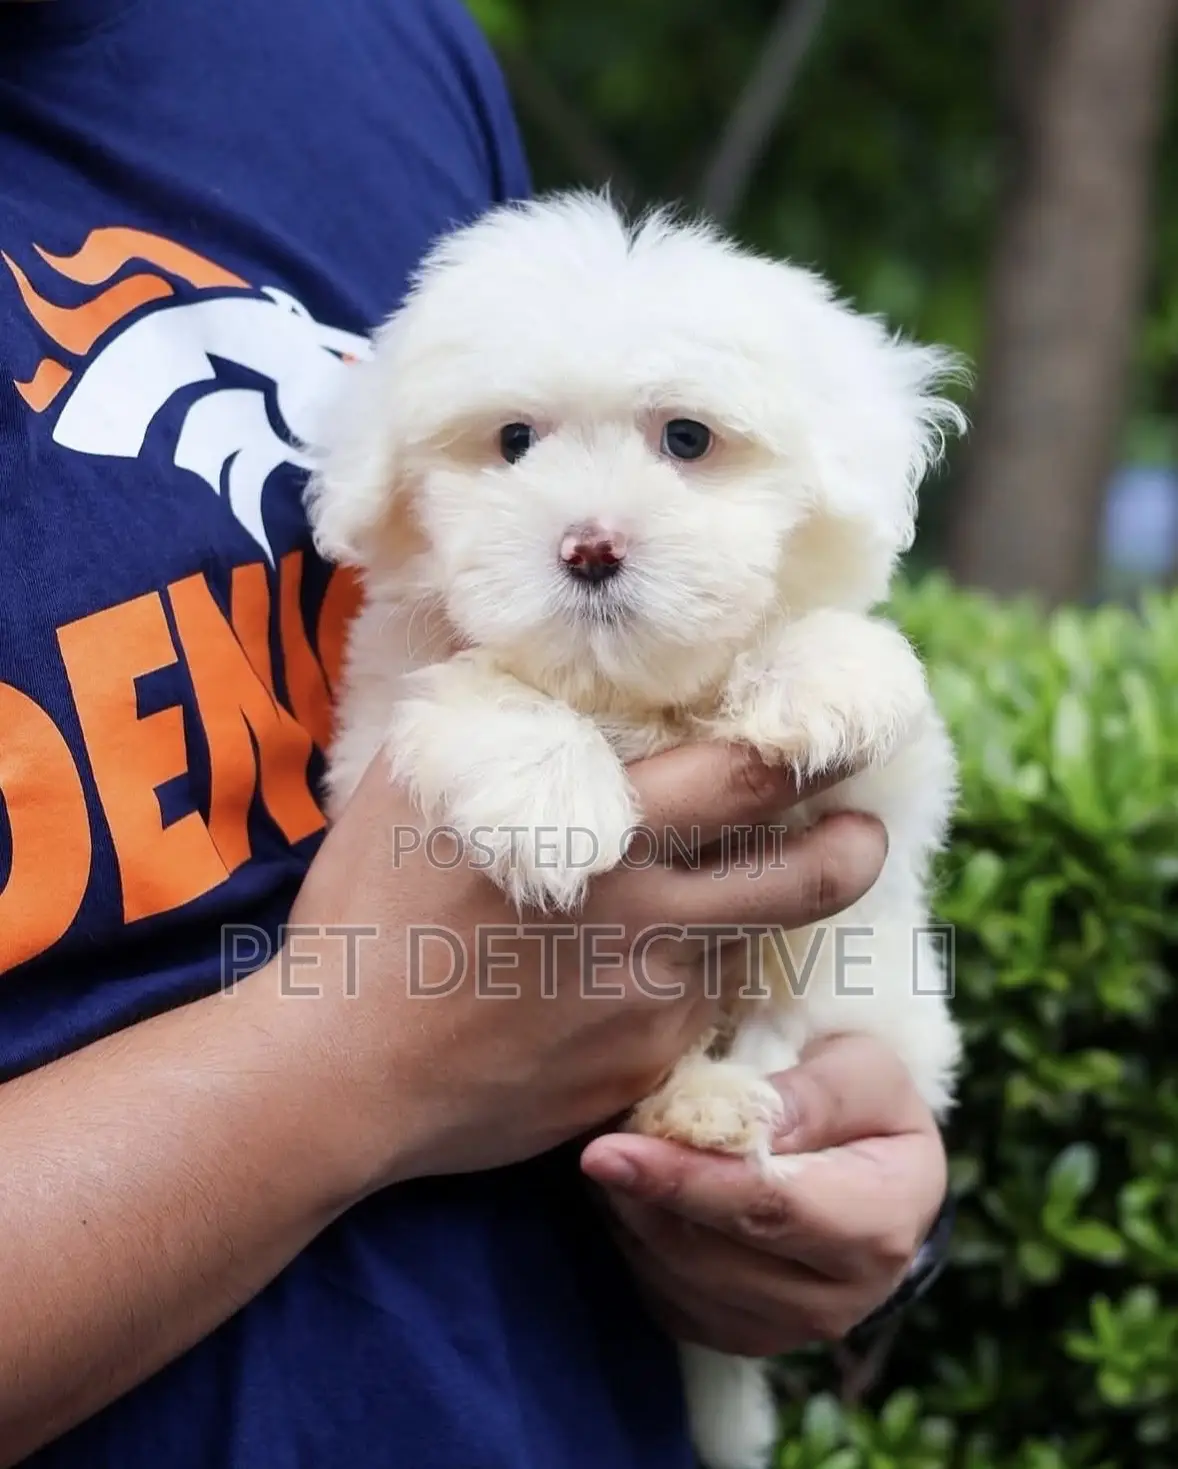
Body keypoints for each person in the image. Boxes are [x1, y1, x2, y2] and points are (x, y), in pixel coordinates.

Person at [0, 1, 952, 1464]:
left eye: (682, 440)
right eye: (513, 447)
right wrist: (348, 1055)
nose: (583, 523)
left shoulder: (360, 42)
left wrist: (822, 1184)